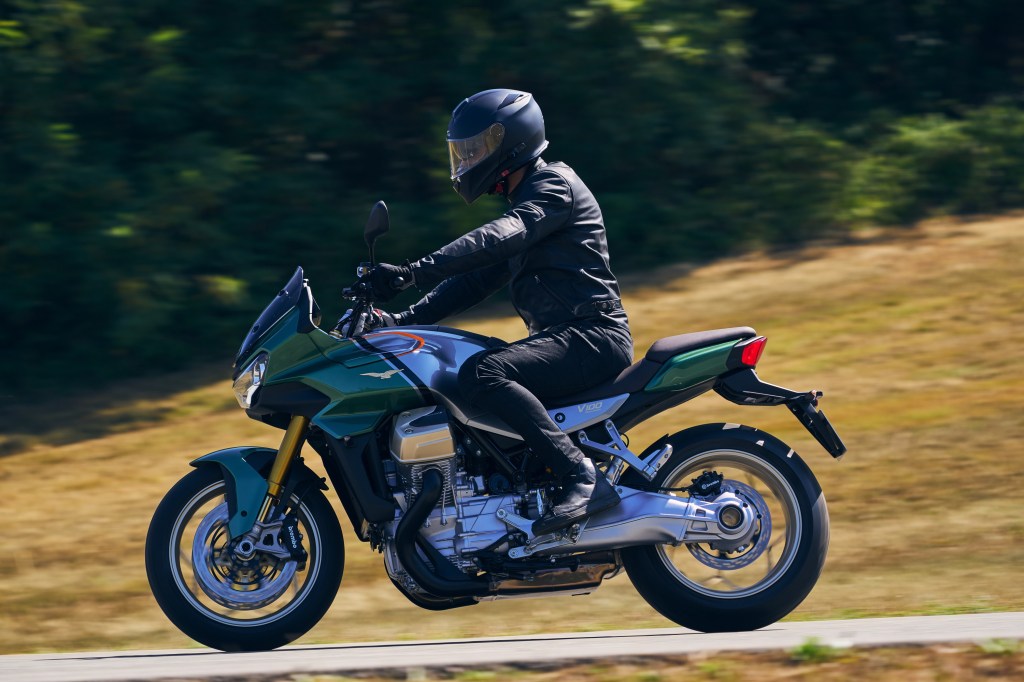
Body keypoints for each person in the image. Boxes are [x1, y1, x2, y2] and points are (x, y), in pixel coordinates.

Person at [368, 88, 633, 534]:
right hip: (565, 338)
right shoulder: (527, 203)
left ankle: (580, 477)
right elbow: (474, 280)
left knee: (481, 374)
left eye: (477, 148)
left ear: (513, 141)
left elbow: (501, 236)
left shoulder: (553, 187)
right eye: (463, 151)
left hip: (592, 335)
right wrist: (398, 321)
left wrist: (412, 271)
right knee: (460, 372)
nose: (467, 160)